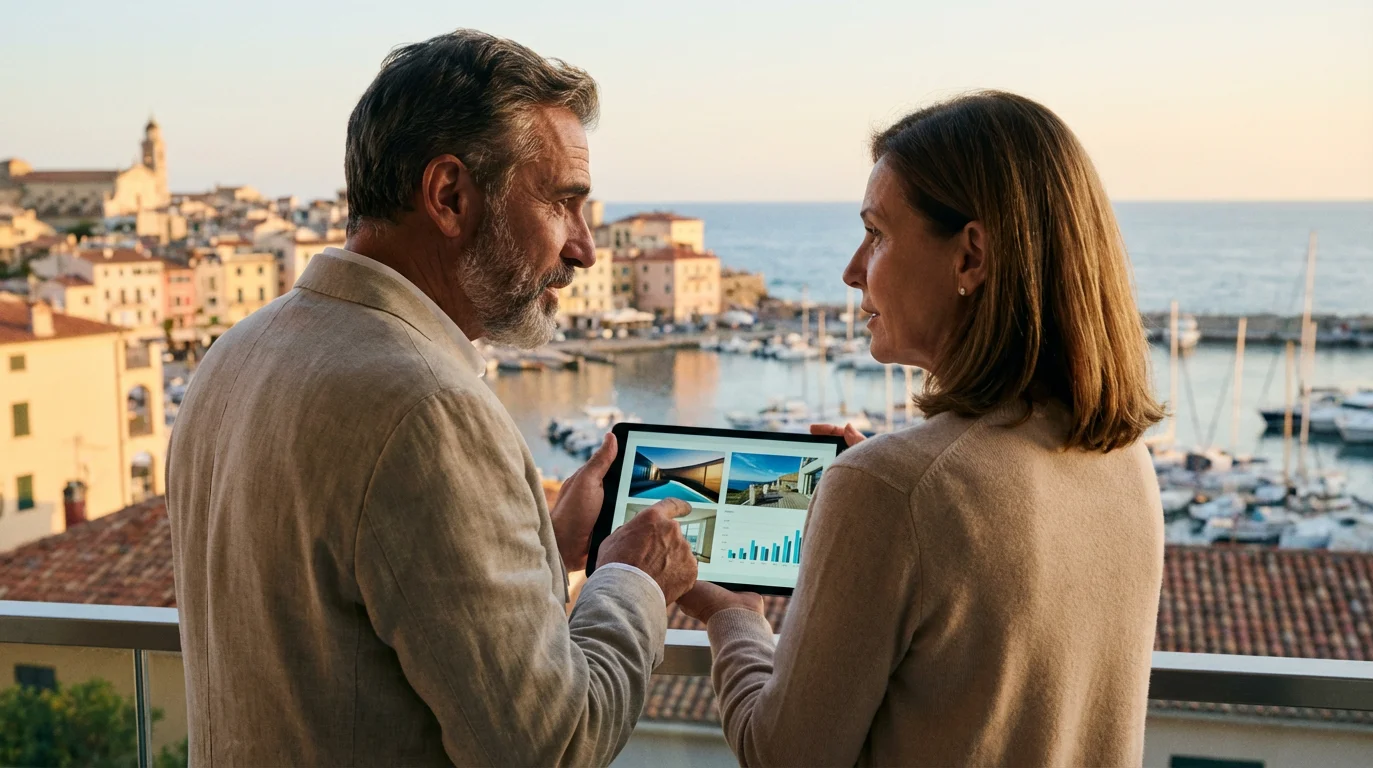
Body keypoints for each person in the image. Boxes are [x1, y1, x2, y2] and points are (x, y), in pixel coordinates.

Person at [165, 29, 698, 766]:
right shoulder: (426, 408)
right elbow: (554, 743)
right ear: (450, 195)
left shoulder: (239, 351)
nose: (584, 248)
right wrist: (631, 580)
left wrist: (544, 545)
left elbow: (350, 602)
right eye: (563, 204)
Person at [678, 91, 1166, 767]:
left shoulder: (892, 488)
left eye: (876, 234)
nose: (852, 272)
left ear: (970, 257)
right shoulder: (1124, 457)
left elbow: (783, 756)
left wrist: (733, 615)